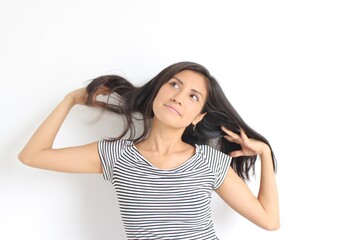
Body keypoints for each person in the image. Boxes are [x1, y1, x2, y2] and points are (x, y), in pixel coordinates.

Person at [18, 61, 280, 239]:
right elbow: (32, 155)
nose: (179, 96)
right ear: (158, 91)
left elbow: (269, 220)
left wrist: (265, 153)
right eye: (175, 85)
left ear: (198, 117)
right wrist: (72, 99)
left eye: (193, 96)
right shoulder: (116, 155)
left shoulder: (209, 162)